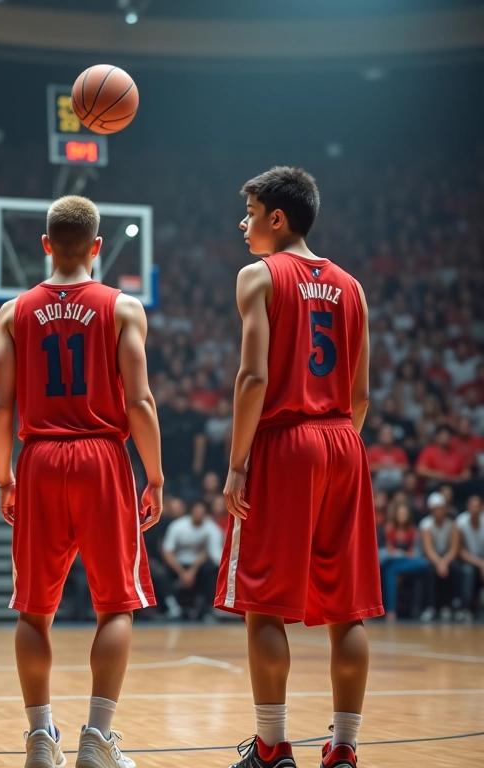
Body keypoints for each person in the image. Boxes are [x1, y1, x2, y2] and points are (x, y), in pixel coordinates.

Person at [0, 195, 163, 768]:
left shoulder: (13, 312)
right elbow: (139, 401)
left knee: (33, 611)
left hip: (39, 458)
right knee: (115, 607)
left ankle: (41, 739)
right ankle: (97, 739)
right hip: (102, 458)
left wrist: (4, 477)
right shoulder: (123, 307)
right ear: (98, 246)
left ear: (45, 245)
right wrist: (156, 476)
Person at [216, 167, 382, 768]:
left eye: (251, 212)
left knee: (263, 603)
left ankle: (271, 746)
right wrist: (336, 445)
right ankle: (344, 748)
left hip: (285, 443)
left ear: (277, 218)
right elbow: (361, 395)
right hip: (343, 441)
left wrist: (238, 463)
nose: (244, 224)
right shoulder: (353, 287)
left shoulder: (258, 275)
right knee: (348, 609)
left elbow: (253, 378)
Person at [161, 499, 223, 619]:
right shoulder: (177, 526)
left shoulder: (212, 529)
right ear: (191, 512)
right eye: (196, 512)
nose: (198, 515)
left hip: (198, 565)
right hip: (178, 564)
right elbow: (167, 552)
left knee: (211, 570)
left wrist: (192, 571)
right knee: (161, 573)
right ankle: (172, 607)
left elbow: (211, 553)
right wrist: (182, 573)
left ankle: (207, 609)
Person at [379, 502, 428, 621]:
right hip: (394, 560)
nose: (403, 516)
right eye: (400, 513)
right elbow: (390, 551)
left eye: (405, 513)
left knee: (424, 563)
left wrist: (402, 555)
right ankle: (391, 611)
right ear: (396, 515)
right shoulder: (390, 529)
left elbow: (413, 553)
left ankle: (391, 610)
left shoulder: (413, 530)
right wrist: (401, 555)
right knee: (389, 569)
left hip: (406, 562)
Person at [419, 492, 462, 622]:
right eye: (436, 508)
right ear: (431, 510)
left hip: (447, 557)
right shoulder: (425, 524)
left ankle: (449, 606)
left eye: (441, 508)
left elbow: (454, 548)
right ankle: (431, 607)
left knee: (455, 568)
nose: (439, 511)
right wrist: (439, 563)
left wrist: (445, 562)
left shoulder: (453, 524)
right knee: (430, 570)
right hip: (432, 558)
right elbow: (428, 549)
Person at [456, 495, 484, 618]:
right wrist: (480, 564)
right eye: (472, 506)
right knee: (468, 571)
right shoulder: (460, 522)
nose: (474, 509)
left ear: (482, 507)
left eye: (477, 506)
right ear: (467, 507)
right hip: (468, 560)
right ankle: (466, 608)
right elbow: (459, 550)